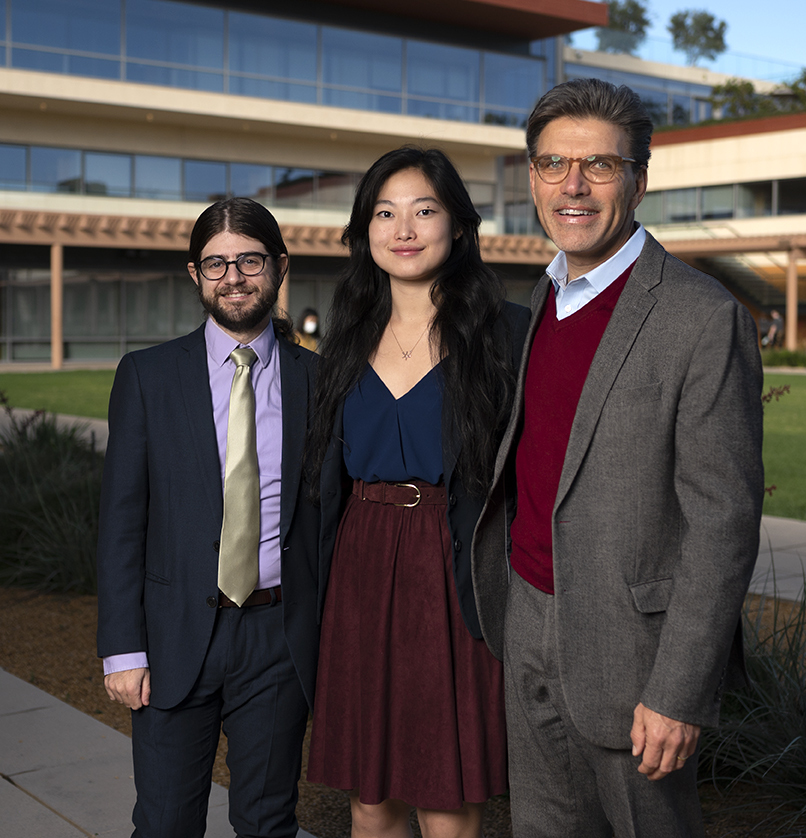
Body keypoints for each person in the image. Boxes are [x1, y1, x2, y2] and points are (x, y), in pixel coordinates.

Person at [470, 78, 765, 837]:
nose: (573, 186)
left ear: (639, 178)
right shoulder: (545, 296)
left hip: (634, 650)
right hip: (529, 614)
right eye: (552, 165)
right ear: (531, 175)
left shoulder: (701, 317)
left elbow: (723, 521)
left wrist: (678, 690)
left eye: (599, 166)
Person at [305, 147, 529, 838]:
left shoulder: (507, 334)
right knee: (371, 802)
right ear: (364, 231)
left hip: (452, 566)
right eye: (385, 212)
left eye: (424, 210)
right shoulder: (343, 339)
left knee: (445, 796)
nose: (404, 228)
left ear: (458, 226)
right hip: (361, 569)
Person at [96, 197, 325, 838]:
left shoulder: (320, 380)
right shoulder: (147, 376)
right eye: (216, 263)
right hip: (173, 637)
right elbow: (121, 521)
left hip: (279, 637)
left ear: (279, 267)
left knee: (268, 821)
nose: (233, 277)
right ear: (194, 274)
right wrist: (122, 648)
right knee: (166, 823)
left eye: (249, 260)